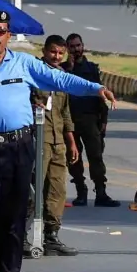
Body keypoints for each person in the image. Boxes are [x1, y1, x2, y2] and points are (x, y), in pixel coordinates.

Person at [0, 10, 115, 272]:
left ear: (9, 35)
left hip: (18, 148)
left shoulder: (24, 64)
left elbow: (60, 80)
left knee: (13, 216)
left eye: (1, 31)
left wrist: (95, 88)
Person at [37, 36, 80, 256]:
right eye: (53, 52)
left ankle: (51, 235)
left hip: (58, 142)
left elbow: (65, 113)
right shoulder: (33, 74)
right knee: (33, 188)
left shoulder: (62, 77)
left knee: (57, 189)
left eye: (60, 53)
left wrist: (71, 142)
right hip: (38, 139)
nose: (56, 56)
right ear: (44, 51)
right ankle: (23, 236)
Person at [64, 33, 116, 207]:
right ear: (67, 49)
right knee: (73, 157)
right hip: (70, 120)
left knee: (96, 156)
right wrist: (69, 68)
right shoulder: (63, 70)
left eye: (78, 45)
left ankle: (101, 192)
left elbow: (101, 95)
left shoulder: (92, 69)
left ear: (83, 46)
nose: (76, 49)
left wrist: (104, 120)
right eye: (72, 46)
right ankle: (81, 191)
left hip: (90, 119)